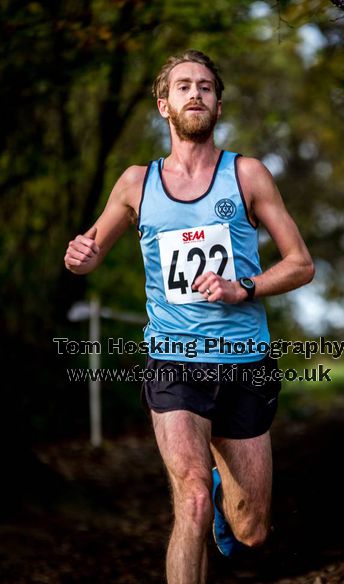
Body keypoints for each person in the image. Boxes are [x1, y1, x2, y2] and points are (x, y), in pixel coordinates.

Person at [64, 49, 314, 584]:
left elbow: (301, 265)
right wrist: (79, 256)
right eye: (183, 86)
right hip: (173, 359)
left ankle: (228, 491)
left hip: (245, 362)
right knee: (192, 502)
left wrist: (241, 286)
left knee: (251, 530)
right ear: (164, 105)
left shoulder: (246, 174)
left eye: (205, 86)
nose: (195, 93)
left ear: (218, 106)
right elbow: (90, 250)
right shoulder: (136, 183)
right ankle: (207, 490)